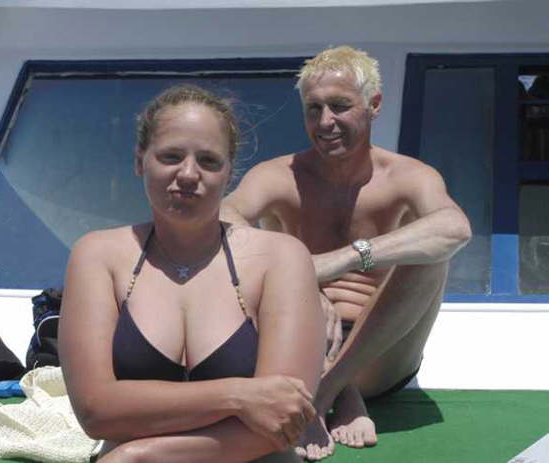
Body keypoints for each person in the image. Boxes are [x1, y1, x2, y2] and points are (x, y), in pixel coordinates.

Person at [221, 46, 472, 460]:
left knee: (431, 255)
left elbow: (455, 227)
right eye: (313, 108)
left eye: (339, 106)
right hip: (297, 343)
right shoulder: (278, 176)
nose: (325, 122)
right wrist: (302, 283)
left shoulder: (407, 176)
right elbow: (222, 222)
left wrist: (346, 259)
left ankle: (329, 389)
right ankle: (337, 389)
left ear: (374, 105)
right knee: (225, 257)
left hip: (381, 357)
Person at [59, 84, 329, 462]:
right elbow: (95, 410)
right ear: (140, 161)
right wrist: (239, 396)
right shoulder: (97, 256)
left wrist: (141, 455)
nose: (188, 173)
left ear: (229, 174)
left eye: (208, 161)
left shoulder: (281, 258)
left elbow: (285, 417)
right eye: (171, 156)